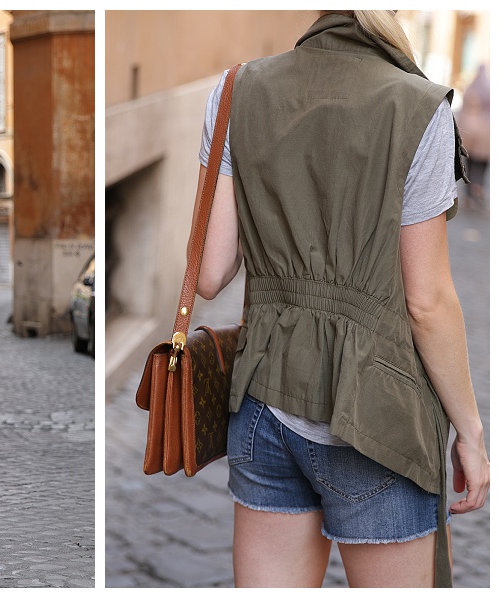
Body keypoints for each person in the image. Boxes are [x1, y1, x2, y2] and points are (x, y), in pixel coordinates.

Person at [192, 11, 489, 587]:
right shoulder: (419, 109)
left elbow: (208, 275)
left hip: (262, 402)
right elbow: (428, 303)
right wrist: (471, 434)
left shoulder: (235, 90)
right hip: (377, 414)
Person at [456, 64, 490, 209]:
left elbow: (462, 111)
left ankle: (470, 193)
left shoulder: (470, 89)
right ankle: (478, 187)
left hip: (469, 135)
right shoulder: (488, 90)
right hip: (484, 136)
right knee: (481, 165)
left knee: (469, 164)